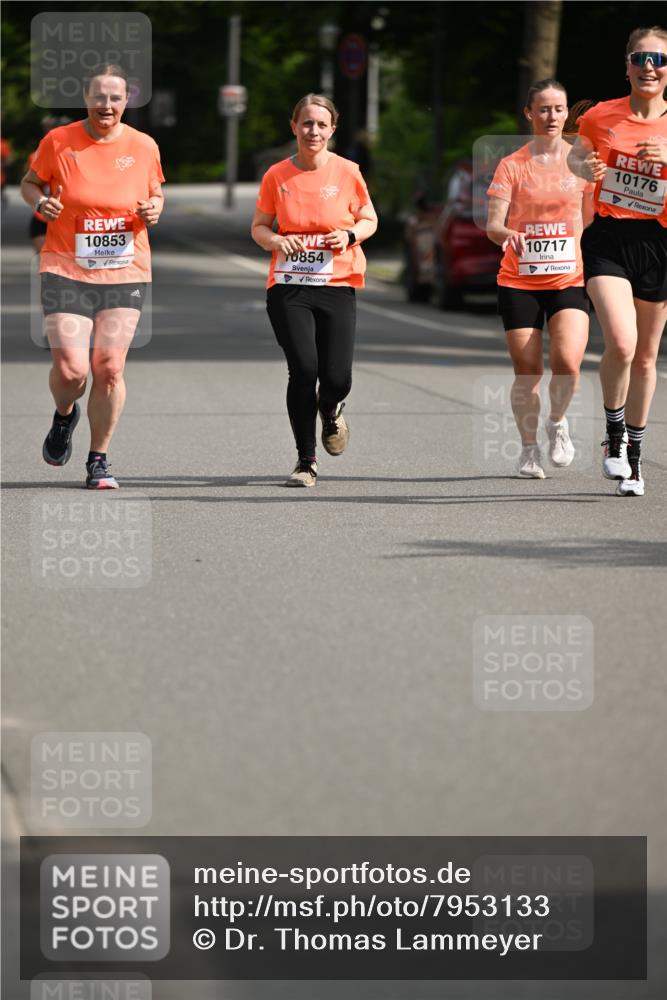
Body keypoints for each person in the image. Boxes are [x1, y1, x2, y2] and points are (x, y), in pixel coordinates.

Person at [20, 63, 164, 489]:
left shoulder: (143, 145)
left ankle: (98, 458)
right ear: (86, 98)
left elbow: (155, 192)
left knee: (109, 367)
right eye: (99, 97)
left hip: (125, 269)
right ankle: (65, 415)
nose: (106, 105)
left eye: (115, 98)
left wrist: (156, 207)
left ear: (126, 101)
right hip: (66, 265)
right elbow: (30, 182)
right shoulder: (59, 141)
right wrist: (39, 203)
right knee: (71, 370)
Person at [251, 93, 378, 487]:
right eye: (306, 123)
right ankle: (306, 461)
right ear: (294, 127)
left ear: (332, 130)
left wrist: (350, 235)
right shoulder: (276, 175)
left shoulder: (347, 171)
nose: (314, 131)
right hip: (288, 286)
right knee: (304, 368)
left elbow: (369, 217)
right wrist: (274, 241)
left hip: (337, 284)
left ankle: (332, 408)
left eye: (322, 125)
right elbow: (259, 227)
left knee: (337, 377)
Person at [568, 26, 667, 497]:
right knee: (623, 345)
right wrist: (583, 168)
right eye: (641, 58)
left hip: (660, 243)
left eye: (660, 59)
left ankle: (635, 459)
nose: (650, 67)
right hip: (610, 236)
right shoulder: (601, 116)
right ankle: (613, 433)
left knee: (646, 357)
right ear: (627, 65)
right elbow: (575, 158)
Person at [486, 79, 594, 478]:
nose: (552, 116)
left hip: (570, 276)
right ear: (529, 114)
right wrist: (506, 234)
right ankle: (529, 449)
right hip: (519, 280)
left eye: (559, 109)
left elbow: (594, 219)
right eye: (544, 109)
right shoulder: (512, 164)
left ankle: (557, 423)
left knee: (567, 361)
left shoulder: (582, 161)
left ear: (567, 114)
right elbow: (494, 225)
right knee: (527, 371)